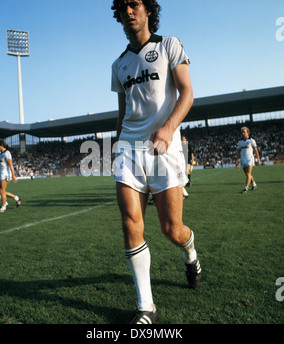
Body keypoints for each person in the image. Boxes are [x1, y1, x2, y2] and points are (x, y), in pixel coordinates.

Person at [111, 0, 201, 324]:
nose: (128, 11)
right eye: (122, 7)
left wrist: (167, 129)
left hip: (166, 147)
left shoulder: (169, 46)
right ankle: (146, 307)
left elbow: (188, 93)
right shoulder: (118, 64)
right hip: (129, 151)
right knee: (130, 224)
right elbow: (122, 113)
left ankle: (190, 252)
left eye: (134, 4)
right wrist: (118, 146)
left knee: (171, 229)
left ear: (148, 10)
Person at [236, 126, 261, 193]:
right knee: (247, 174)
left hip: (250, 159)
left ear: (248, 132)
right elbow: (238, 152)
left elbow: (256, 151)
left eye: (244, 132)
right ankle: (254, 184)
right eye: (242, 132)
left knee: (249, 174)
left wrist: (258, 159)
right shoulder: (240, 142)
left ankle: (245, 188)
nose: (242, 133)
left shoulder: (251, 141)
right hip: (242, 159)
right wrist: (237, 160)